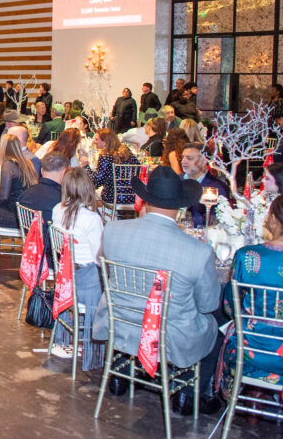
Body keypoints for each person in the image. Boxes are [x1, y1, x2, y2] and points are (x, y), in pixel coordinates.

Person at [93, 166, 222, 414]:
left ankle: (120, 374)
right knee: (214, 323)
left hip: (120, 323)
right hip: (170, 334)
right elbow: (208, 304)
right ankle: (186, 393)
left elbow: (103, 267)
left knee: (135, 304)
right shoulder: (198, 251)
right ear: (181, 206)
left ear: (146, 199)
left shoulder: (112, 231)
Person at [221, 196, 283, 383]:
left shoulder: (248, 255)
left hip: (252, 351)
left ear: (273, 219)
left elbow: (230, 307)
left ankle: (253, 404)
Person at [49, 167, 105, 369]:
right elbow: (99, 255)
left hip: (65, 276)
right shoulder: (92, 219)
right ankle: (94, 342)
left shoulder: (57, 210)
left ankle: (65, 337)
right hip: (86, 280)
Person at [18, 153, 69, 251]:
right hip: (54, 252)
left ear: (41, 171)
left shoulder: (25, 194)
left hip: (31, 248)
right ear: (64, 172)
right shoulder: (62, 200)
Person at [81, 128, 139, 206]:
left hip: (112, 197)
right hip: (133, 197)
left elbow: (96, 182)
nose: (94, 142)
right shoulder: (127, 152)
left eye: (96, 139)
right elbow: (139, 168)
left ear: (105, 141)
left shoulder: (105, 157)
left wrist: (86, 166)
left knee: (89, 197)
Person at [0, 132, 39, 228]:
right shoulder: (28, 162)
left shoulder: (8, 164)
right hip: (29, 214)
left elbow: (4, 197)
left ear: (3, 147)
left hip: (14, 215)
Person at [180, 142, 230, 227]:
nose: (183, 161)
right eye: (183, 157)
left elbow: (215, 221)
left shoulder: (217, 188)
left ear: (203, 161)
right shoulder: (175, 181)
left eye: (189, 158)